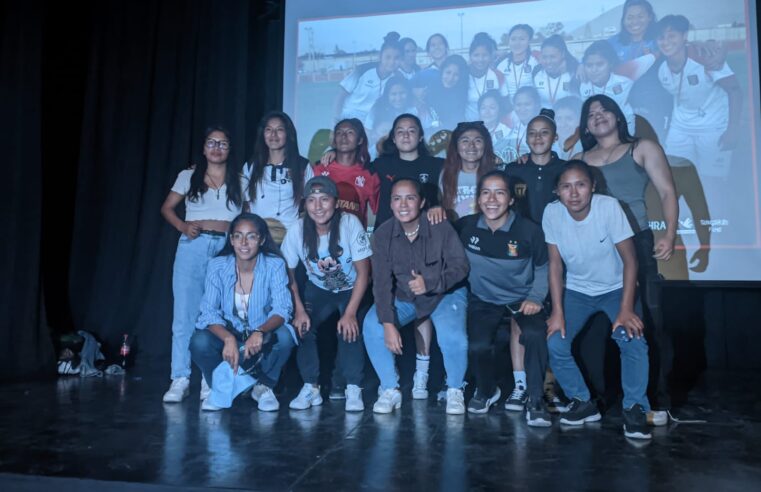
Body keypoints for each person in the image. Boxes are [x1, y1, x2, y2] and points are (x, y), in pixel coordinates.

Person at [574, 94, 677, 419]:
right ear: (585, 125)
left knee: (647, 321)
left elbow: (667, 192)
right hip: (597, 247)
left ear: (618, 116)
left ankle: (656, 401)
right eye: (591, 114)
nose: (598, 116)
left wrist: (670, 234)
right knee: (596, 328)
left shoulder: (642, 148)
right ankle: (600, 398)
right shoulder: (581, 158)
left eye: (604, 110)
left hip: (636, 242)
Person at [543, 161, 652, 440]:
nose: (574, 193)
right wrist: (557, 311)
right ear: (557, 191)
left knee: (632, 337)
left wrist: (626, 309)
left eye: (580, 184)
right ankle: (582, 401)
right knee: (555, 341)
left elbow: (631, 260)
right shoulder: (552, 213)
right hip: (578, 290)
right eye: (566, 186)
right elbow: (554, 266)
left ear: (592, 186)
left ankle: (635, 407)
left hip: (617, 288)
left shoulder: (608, 207)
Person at [363, 178, 470, 415]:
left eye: (410, 198)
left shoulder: (439, 225)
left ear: (421, 202)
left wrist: (431, 282)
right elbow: (381, 284)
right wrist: (389, 324)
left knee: (454, 338)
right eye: (397, 198)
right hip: (407, 297)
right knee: (373, 325)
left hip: (445, 294)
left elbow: (460, 266)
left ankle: (455, 390)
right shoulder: (382, 234)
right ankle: (390, 388)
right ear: (390, 204)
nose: (403, 204)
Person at [458, 171, 550, 425]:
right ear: (478, 198)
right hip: (483, 299)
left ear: (511, 199)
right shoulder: (466, 226)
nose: (492, 199)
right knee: (476, 347)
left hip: (523, 298)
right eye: (486, 192)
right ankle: (487, 390)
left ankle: (534, 398)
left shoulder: (529, 230)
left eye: (500, 192)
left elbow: (544, 268)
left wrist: (536, 298)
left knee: (534, 335)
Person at [160, 126, 244, 403]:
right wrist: (183, 226)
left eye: (223, 143)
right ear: (204, 147)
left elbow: (250, 215)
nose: (217, 148)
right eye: (212, 143)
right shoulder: (188, 176)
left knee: (216, 315)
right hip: (193, 247)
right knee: (184, 313)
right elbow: (166, 208)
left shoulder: (240, 179)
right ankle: (180, 377)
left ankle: (210, 378)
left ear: (230, 149)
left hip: (225, 249)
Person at [282, 177, 372, 412]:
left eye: (324, 199)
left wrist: (350, 312)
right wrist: (299, 310)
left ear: (335, 202)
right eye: (311, 200)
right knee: (302, 328)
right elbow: (288, 275)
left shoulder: (349, 223)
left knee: (349, 329)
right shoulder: (298, 229)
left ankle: (353, 387)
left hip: (351, 288)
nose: (318, 206)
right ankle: (311, 387)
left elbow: (364, 274)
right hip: (319, 289)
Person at [190, 213, 296, 411]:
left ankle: (263, 386)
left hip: (260, 337)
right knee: (199, 341)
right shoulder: (217, 266)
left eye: (251, 236)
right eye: (238, 236)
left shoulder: (274, 264)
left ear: (262, 239)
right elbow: (208, 311)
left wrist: (260, 331)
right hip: (232, 336)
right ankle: (222, 387)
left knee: (285, 337)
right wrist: (228, 339)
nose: (244, 243)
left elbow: (283, 309)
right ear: (231, 240)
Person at [502, 109, 567, 413]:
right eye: (532, 133)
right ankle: (520, 386)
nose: (538, 138)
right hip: (522, 257)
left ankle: (550, 386)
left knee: (555, 321)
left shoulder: (567, 170)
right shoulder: (514, 170)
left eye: (544, 133)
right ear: (524, 139)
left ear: (555, 137)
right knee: (520, 318)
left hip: (559, 255)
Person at [656, 14, 741, 179]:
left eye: (672, 36)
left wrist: (733, 128)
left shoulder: (707, 58)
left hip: (713, 128)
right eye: (661, 37)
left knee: (712, 180)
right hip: (680, 128)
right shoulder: (662, 70)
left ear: (684, 36)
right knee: (677, 176)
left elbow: (735, 90)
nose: (666, 41)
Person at [243, 111, 313, 242]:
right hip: (257, 237)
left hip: (290, 237)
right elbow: (245, 205)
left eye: (279, 130)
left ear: (288, 134)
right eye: (268, 129)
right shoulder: (251, 165)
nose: (273, 135)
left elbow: (310, 202)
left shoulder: (302, 166)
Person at [369, 113, 443, 228]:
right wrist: (334, 153)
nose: (406, 136)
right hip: (387, 234)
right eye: (400, 132)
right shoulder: (381, 164)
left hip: (426, 234)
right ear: (393, 138)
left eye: (411, 131)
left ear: (421, 137)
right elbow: (352, 168)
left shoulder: (437, 165)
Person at [312, 118, 379, 228]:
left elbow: (378, 213)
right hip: (322, 238)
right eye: (339, 132)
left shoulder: (369, 175)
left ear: (360, 140)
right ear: (334, 141)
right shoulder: (319, 169)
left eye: (350, 132)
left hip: (353, 240)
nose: (344, 136)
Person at [438, 121, 498, 220]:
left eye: (477, 141)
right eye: (465, 141)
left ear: (485, 145)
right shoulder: (445, 174)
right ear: (456, 147)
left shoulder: (495, 176)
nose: (471, 146)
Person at [335, 32, 402, 122]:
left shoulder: (397, 77)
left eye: (396, 58)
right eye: (388, 57)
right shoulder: (361, 70)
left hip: (373, 122)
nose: (392, 62)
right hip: (350, 118)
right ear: (380, 57)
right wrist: (336, 119)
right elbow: (341, 96)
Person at [580, 41, 635, 135]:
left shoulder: (625, 83)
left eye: (600, 64)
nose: (594, 70)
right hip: (598, 132)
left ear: (610, 64)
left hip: (624, 129)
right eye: (589, 65)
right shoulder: (583, 86)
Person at [365, 76, 416, 145]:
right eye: (393, 94)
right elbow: (368, 135)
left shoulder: (415, 109)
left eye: (402, 93)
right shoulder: (377, 109)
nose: (398, 98)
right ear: (387, 95)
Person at [532, 35, 579, 108]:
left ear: (563, 54)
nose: (548, 61)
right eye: (545, 57)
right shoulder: (536, 72)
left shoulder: (575, 71)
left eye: (552, 57)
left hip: (567, 118)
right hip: (545, 117)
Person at [466, 32, 504, 120]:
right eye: (476, 55)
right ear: (470, 56)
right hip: (469, 126)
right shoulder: (463, 75)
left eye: (485, 55)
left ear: (491, 56)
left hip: (491, 127)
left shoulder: (497, 75)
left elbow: (504, 103)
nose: (480, 60)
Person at [497, 24, 540, 101]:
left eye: (522, 39)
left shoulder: (537, 61)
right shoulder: (501, 65)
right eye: (513, 39)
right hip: (509, 109)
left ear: (529, 41)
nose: (517, 43)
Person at [428, 55, 469, 130]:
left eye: (456, 75)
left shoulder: (462, 95)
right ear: (442, 71)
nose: (450, 78)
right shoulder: (430, 89)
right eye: (448, 72)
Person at [478, 90, 514, 163]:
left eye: (492, 107)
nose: (487, 112)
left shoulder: (507, 132)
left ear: (499, 110)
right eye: (483, 108)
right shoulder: (473, 131)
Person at [506, 86, 542, 159]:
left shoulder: (545, 128)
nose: (522, 109)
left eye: (527, 104)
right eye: (518, 105)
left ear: (537, 104)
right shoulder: (513, 128)